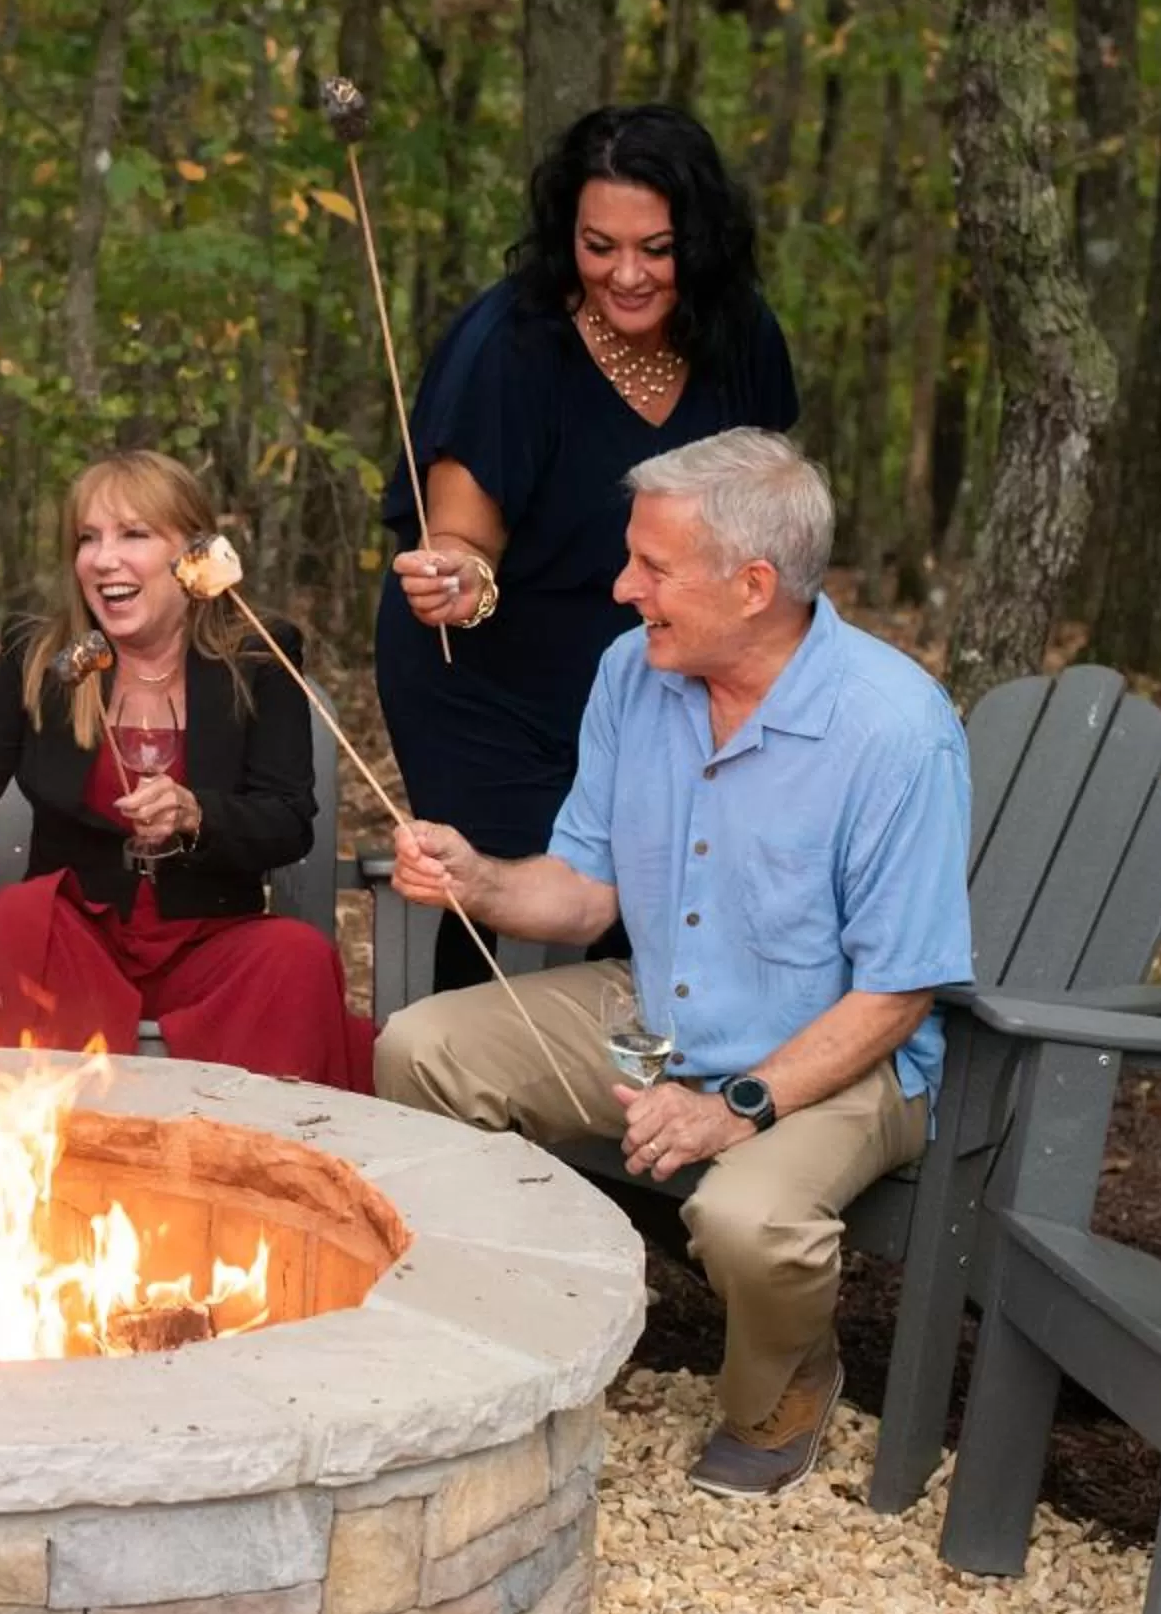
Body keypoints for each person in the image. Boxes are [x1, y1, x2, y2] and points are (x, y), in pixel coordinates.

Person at [374, 430, 969, 1499]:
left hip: (837, 1054)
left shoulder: (892, 729)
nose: (621, 585)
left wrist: (737, 1104)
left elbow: (898, 988)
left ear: (752, 586)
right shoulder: (632, 674)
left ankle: (785, 1379)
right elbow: (587, 890)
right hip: (653, 1011)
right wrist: (481, 881)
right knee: (423, 1050)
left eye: (651, 567)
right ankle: (508, 1332)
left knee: (749, 1221)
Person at [377, 103, 799, 995]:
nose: (628, 274)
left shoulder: (741, 337)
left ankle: (659, 1096)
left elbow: (769, 511)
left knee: (680, 873)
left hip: (660, 669)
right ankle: (473, 1076)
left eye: (657, 247)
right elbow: (464, 542)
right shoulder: (512, 345)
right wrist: (461, 580)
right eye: (598, 245)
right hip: (489, 679)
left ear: (703, 240)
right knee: (527, 886)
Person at [0, 451, 372, 1091]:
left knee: (298, 958)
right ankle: (48, 1154)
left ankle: (233, 1156)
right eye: (88, 539)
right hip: (80, 937)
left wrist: (197, 814)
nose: (103, 560)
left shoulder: (256, 661)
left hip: (209, 942)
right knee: (19, 920)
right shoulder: (42, 659)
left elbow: (287, 821)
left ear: (194, 555)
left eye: (134, 535)